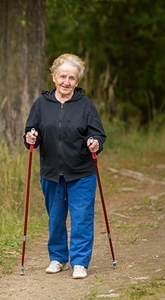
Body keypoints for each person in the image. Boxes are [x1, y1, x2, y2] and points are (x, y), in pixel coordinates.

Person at [23, 53, 106, 279]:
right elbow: (32, 132)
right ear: (54, 77)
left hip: (81, 172)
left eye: (71, 78)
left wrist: (95, 142)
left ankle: (80, 262)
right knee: (56, 217)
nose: (66, 82)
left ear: (77, 82)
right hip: (51, 172)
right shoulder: (41, 104)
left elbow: (98, 133)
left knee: (82, 217)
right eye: (62, 76)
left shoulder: (86, 106)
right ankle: (58, 258)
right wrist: (31, 138)